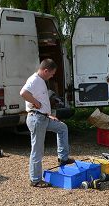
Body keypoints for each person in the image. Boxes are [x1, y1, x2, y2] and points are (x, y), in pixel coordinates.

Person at [20, 59, 74, 188]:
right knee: (38, 151)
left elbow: (41, 99)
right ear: (46, 70)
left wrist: (48, 114)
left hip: (43, 118)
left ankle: (63, 158)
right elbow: (23, 93)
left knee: (62, 128)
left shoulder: (41, 81)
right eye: (52, 73)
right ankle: (35, 179)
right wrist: (36, 103)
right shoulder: (34, 80)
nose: (52, 76)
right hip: (36, 119)